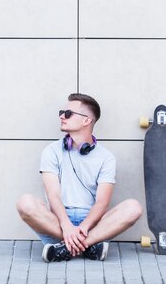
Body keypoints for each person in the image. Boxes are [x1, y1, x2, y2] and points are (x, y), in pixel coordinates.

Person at [16, 93, 142, 262]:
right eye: (62, 112)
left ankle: (67, 248)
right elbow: (53, 196)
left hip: (91, 225)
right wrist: (66, 226)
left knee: (134, 208)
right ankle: (88, 247)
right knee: (25, 203)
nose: (62, 116)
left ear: (86, 120)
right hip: (57, 222)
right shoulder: (51, 151)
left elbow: (102, 202)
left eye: (68, 113)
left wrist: (82, 228)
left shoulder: (106, 157)